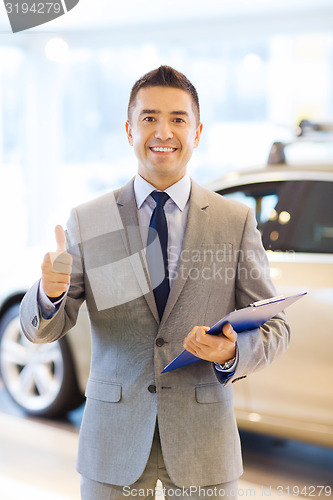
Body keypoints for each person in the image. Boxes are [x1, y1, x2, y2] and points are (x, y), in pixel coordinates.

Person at [20, 66, 290, 500]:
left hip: (205, 445)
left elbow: (276, 326)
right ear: (130, 130)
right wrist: (50, 295)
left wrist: (232, 351)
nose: (163, 131)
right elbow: (42, 329)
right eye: (149, 118)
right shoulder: (90, 220)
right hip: (114, 445)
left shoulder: (233, 221)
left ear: (197, 131)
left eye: (178, 119)